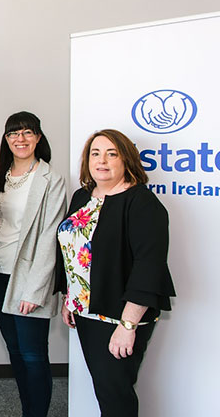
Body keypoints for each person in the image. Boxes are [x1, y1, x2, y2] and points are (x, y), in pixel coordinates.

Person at [56, 129, 176, 416]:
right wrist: (69, 298)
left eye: (112, 154)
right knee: (106, 389)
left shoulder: (143, 204)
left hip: (119, 317)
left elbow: (149, 268)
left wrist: (128, 326)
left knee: (115, 395)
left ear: (127, 160)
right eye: (95, 154)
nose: (102, 161)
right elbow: (74, 251)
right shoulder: (83, 196)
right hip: (85, 311)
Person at [0, 112, 66, 417]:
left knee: (33, 354)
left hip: (28, 278)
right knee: (14, 350)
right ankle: (28, 408)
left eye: (27, 133)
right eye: (13, 134)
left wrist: (34, 290)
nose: (20, 139)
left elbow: (50, 238)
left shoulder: (50, 179)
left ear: (39, 137)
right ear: (6, 140)